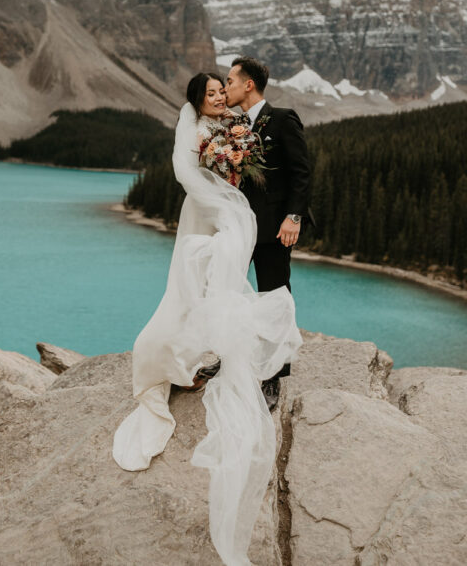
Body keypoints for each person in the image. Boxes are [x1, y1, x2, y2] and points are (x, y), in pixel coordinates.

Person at [113, 71, 302, 566]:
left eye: (226, 88)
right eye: (214, 92)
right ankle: (192, 353)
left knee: (226, 285)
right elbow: (188, 172)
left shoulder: (243, 123)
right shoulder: (198, 130)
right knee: (199, 286)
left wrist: (243, 176)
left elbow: (288, 172)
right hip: (209, 213)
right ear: (199, 100)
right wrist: (224, 187)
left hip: (238, 216)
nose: (221, 95)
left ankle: (216, 352)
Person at [225, 56, 314, 409]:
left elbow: (301, 172)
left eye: (231, 81)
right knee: (227, 290)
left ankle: (274, 375)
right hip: (237, 225)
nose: (226, 87)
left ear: (249, 84)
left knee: (274, 296)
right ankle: (227, 357)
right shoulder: (230, 127)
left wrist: (294, 216)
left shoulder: (281, 119)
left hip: (274, 227)